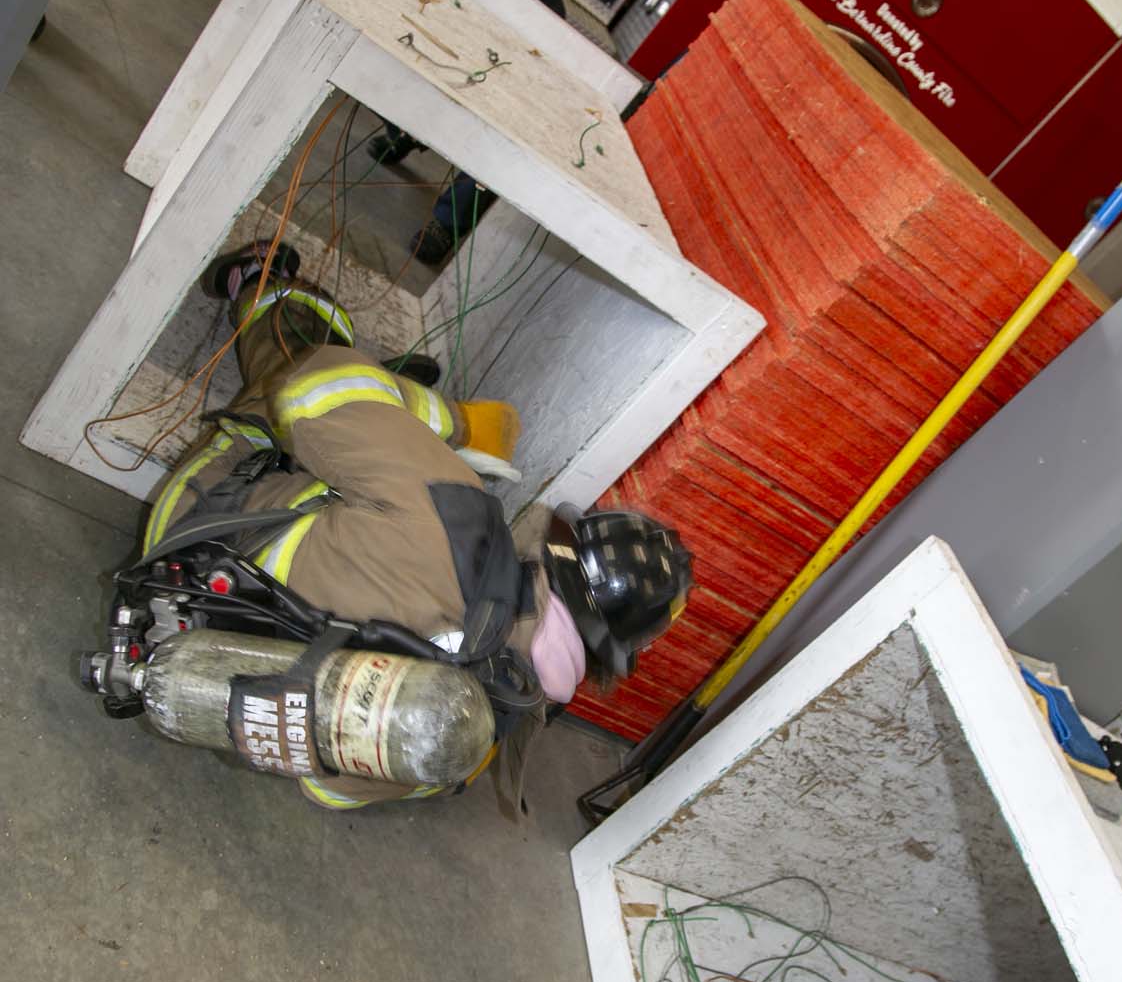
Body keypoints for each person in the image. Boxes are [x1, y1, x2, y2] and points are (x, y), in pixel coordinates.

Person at [99, 244, 691, 812]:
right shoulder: (497, 719)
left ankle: (262, 277)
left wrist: (455, 428)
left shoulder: (463, 511)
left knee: (304, 372)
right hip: (204, 678)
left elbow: (314, 389)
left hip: (188, 540)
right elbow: (330, 790)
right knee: (361, 468)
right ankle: (387, 416)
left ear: (562, 550)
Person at [368, 0, 566, 268]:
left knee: (503, 143)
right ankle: (403, 132)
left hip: (507, 81)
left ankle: (447, 223)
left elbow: (538, 72)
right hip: (452, 55)